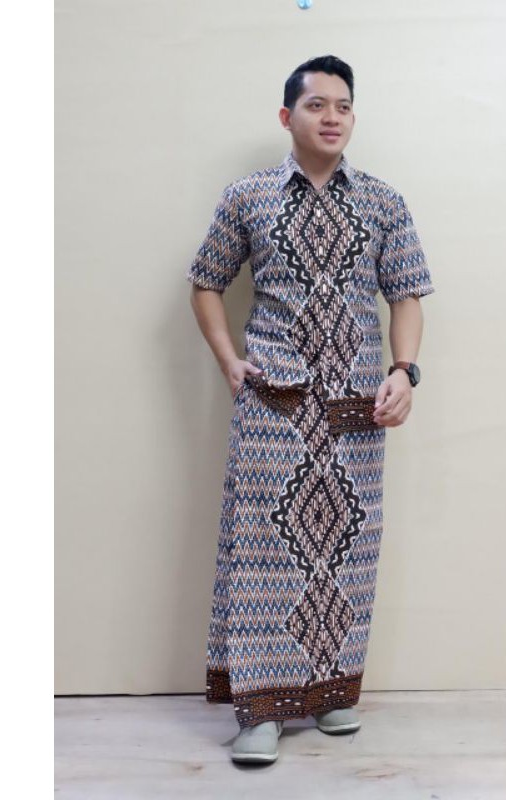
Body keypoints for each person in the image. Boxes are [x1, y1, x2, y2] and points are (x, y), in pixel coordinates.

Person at [186, 54, 435, 764]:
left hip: (356, 411)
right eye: (317, 104)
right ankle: (260, 712)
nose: (332, 117)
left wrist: (404, 372)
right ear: (286, 115)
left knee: (346, 555)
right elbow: (205, 282)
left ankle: (330, 693)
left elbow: (406, 295)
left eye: (343, 106)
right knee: (264, 555)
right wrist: (228, 360)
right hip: (274, 406)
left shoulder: (384, 202)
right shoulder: (248, 197)